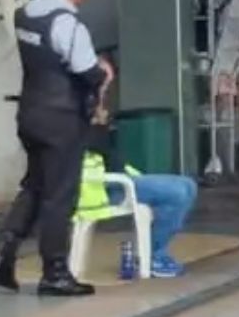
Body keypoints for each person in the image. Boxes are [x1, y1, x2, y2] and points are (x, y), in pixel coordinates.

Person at [0, 0, 112, 297]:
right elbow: (86, 70)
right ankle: (55, 273)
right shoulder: (67, 23)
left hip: (30, 114)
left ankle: (3, 255)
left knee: (35, 186)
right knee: (59, 196)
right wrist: (103, 71)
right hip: (62, 120)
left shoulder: (26, 14)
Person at [81, 111, 199, 279]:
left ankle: (154, 251)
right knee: (177, 193)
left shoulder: (92, 124)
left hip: (119, 179)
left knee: (188, 185)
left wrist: (101, 124)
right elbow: (95, 148)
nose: (106, 111)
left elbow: (111, 157)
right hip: (101, 189)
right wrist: (97, 123)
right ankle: (153, 256)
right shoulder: (75, 125)